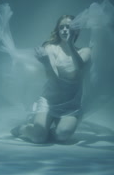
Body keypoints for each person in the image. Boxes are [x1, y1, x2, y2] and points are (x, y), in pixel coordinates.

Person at [11, 15, 91, 143]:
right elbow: (55, 80)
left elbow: (79, 66)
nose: (64, 30)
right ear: (58, 31)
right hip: (49, 102)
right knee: (38, 138)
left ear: (75, 30)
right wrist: (46, 63)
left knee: (63, 135)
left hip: (71, 105)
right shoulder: (51, 48)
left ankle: (46, 131)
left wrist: (70, 44)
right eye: (61, 27)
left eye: (68, 27)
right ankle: (23, 129)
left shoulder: (85, 51)